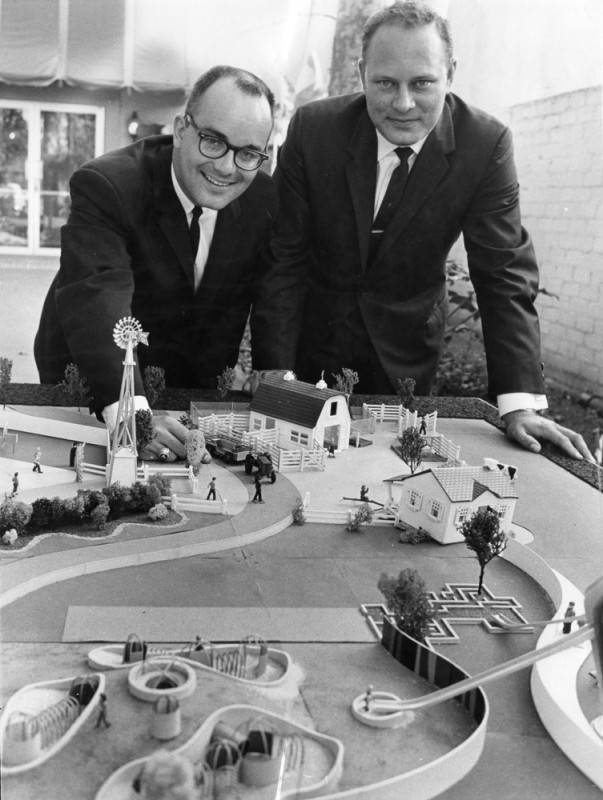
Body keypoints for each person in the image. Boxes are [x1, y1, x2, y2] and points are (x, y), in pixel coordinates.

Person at [252, 1, 592, 462]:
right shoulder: (315, 130)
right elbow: (284, 256)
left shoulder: (484, 144)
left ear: (450, 74)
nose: (403, 103)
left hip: (405, 354)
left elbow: (503, 272)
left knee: (393, 474)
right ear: (361, 73)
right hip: (311, 346)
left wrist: (518, 404)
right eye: (385, 83)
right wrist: (275, 368)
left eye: (422, 83)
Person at [34, 65, 277, 461]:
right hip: (94, 377)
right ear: (181, 129)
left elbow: (273, 290)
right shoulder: (108, 184)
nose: (226, 167)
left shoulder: (264, 198)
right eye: (213, 141)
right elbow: (99, 298)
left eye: (248, 153)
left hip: (180, 381)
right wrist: (132, 412)